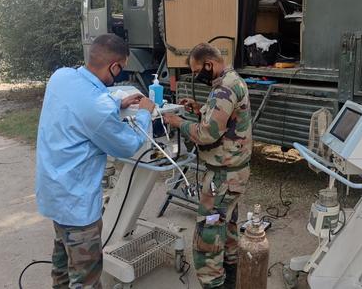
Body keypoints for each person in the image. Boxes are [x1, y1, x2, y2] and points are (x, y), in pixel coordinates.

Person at [35, 34, 155, 288]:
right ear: (115, 66)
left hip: (54, 195)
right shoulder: (96, 107)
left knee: (62, 267)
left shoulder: (61, 77)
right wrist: (145, 113)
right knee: (86, 279)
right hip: (77, 207)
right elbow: (127, 145)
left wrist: (116, 101)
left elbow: (83, 102)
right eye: (121, 68)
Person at [163, 43, 253, 289]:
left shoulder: (224, 88)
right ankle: (231, 277)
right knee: (228, 226)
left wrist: (177, 121)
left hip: (223, 177)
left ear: (208, 64)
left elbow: (207, 134)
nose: (195, 76)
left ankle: (214, 282)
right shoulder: (231, 81)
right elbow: (224, 120)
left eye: (196, 71)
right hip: (234, 173)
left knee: (209, 233)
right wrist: (199, 108)